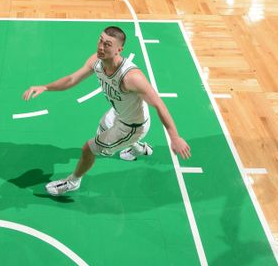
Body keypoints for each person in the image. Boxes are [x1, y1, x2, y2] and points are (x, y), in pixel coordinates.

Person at [22, 26, 192, 196]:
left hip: (132, 126)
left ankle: (73, 181)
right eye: (100, 40)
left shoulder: (131, 77)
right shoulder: (97, 60)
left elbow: (159, 104)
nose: (101, 47)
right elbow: (72, 79)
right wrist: (45, 87)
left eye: (108, 44)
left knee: (88, 149)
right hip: (119, 113)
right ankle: (138, 149)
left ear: (119, 49)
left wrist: (175, 137)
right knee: (102, 128)